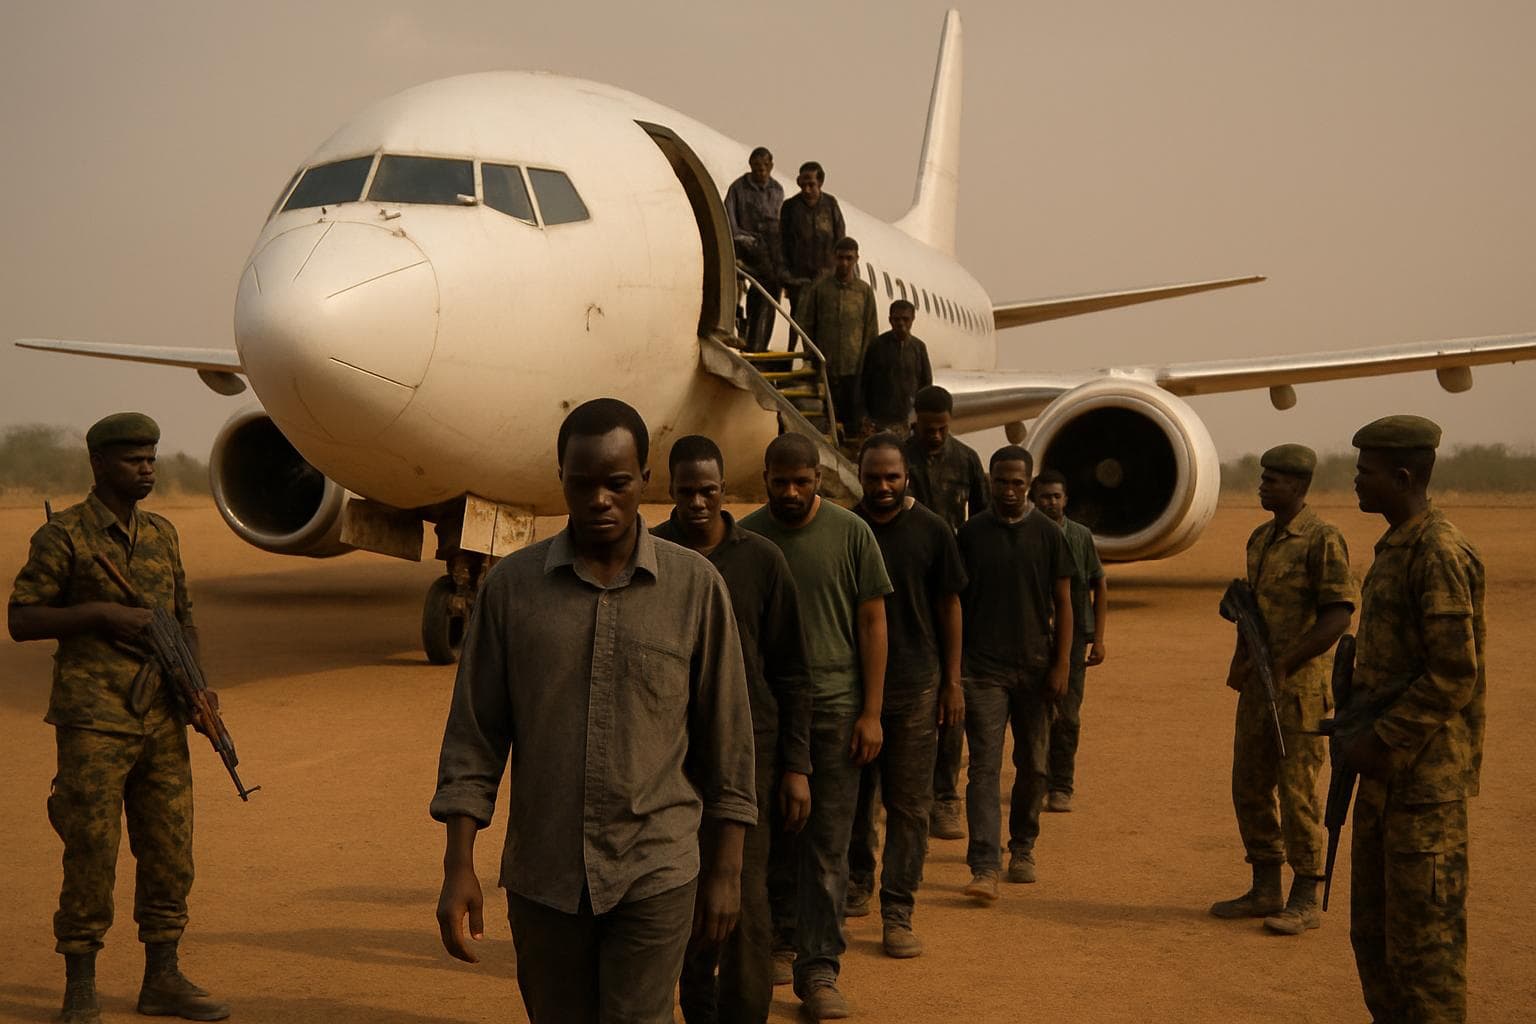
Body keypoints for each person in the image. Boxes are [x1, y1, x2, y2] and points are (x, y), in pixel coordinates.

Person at [431, 399, 758, 1024]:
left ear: (645, 481)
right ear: (561, 479)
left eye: (618, 483)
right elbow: (475, 738)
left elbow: (729, 742)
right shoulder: (511, 591)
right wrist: (458, 865)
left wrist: (726, 870)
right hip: (545, 878)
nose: (600, 499)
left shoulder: (694, 589)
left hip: (655, 869)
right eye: (582, 484)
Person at [7, 412, 229, 1024]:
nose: (147, 469)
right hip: (94, 721)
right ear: (99, 465)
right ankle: (80, 988)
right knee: (90, 852)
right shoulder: (64, 536)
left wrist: (198, 687)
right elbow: (22, 618)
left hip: (162, 719)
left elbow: (183, 616)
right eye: (134, 460)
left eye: (151, 458)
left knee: (170, 853)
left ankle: (163, 977)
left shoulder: (161, 534)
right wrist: (99, 615)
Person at [653, 434, 813, 1024]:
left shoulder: (762, 561)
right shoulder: (652, 556)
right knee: (685, 891)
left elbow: (792, 673)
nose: (698, 503)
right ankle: (699, 1009)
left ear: (725, 489)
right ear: (670, 491)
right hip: (671, 757)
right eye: (686, 492)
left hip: (751, 757)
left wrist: (796, 766)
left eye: (708, 490)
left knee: (743, 894)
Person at [742, 433, 891, 1020]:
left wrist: (871, 712)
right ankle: (779, 943)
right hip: (767, 717)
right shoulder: (749, 540)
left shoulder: (852, 534)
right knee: (771, 842)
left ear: (819, 479)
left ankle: (820, 969)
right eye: (780, 482)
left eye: (801, 482)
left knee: (827, 847)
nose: (790, 492)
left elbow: (873, 623)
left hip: (835, 712)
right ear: (765, 478)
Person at [1345, 415, 1485, 1021]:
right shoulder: (1396, 547)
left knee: (1425, 958)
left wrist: (1380, 737)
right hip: (1385, 782)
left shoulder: (1438, 551)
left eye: (1366, 472)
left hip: (1424, 788)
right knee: (1376, 942)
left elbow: (1454, 671)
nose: (1356, 481)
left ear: (1403, 478)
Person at [1208, 444, 1356, 935]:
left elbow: (1337, 616)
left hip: (1300, 692)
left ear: (1298, 485)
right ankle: (1265, 886)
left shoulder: (1322, 539)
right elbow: (1249, 611)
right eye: (1263, 477)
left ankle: (1305, 896)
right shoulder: (1261, 539)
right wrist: (1242, 662)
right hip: (1260, 686)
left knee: (1298, 794)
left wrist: (1286, 661)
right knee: (1248, 785)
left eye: (1272, 480)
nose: (1263, 486)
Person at [844, 434, 966, 959]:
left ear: (907, 477)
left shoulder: (933, 531)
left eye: (891, 476)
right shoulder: (846, 529)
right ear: (859, 476)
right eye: (873, 477)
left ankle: (898, 910)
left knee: (910, 806)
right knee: (853, 802)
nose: (883, 485)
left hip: (916, 686)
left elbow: (950, 607)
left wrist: (952, 682)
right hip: (852, 689)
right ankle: (856, 885)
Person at [956, 446, 1072, 901]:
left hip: (1035, 668)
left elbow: (1064, 603)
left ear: (1029, 484)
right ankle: (984, 865)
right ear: (989, 481)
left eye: (1017, 483)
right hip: (982, 669)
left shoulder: (1048, 534)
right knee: (983, 768)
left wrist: (1061, 664)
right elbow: (955, 604)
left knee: (1035, 767)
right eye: (1001, 482)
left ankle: (1023, 846)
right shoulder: (970, 535)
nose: (1008, 490)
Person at [902, 385, 989, 840]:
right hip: (906, 583)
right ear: (914, 420)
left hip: (955, 587)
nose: (934, 436)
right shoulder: (898, 457)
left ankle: (945, 797)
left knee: (953, 693)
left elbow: (983, 520)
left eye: (942, 429)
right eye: (927, 428)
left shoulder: (967, 460)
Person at [1031, 469, 1109, 815]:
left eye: (1056, 496)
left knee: (1068, 715)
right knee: (1033, 716)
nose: (1051, 502)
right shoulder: (1026, 534)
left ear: (1066, 500)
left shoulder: (1080, 536)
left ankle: (1062, 785)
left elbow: (1098, 584)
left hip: (1073, 638)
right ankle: (1035, 781)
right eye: (1044, 497)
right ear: (1035, 500)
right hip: (1032, 636)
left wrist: (1099, 638)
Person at [795, 236, 879, 439]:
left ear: (856, 259)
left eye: (849, 258)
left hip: (854, 371)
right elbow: (807, 324)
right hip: (826, 367)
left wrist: (865, 366)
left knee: (853, 426)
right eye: (841, 258)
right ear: (834, 258)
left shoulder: (864, 292)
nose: (844, 263)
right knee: (826, 422)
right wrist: (811, 356)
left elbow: (870, 330)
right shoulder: (821, 289)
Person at [724, 147, 785, 351]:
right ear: (751, 166)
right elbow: (730, 223)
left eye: (765, 166)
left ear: (771, 166)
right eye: (757, 166)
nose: (761, 170)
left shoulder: (777, 190)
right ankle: (733, 323)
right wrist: (746, 240)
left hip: (765, 251)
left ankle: (758, 341)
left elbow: (776, 224)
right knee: (734, 277)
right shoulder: (737, 188)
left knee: (769, 290)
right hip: (742, 245)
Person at [780, 160, 846, 318]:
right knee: (798, 321)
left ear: (820, 183)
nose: (807, 190)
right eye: (803, 185)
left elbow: (840, 240)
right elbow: (782, 243)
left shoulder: (830, 205)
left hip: (825, 280)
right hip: (799, 281)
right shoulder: (790, 207)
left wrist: (833, 271)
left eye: (811, 185)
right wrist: (787, 275)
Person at [860, 300, 933, 433]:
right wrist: (864, 415)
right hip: (879, 420)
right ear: (890, 320)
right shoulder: (876, 345)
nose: (901, 323)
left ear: (913, 319)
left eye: (905, 319)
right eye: (896, 319)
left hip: (907, 421)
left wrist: (920, 416)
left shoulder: (919, 348)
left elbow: (926, 384)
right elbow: (864, 383)